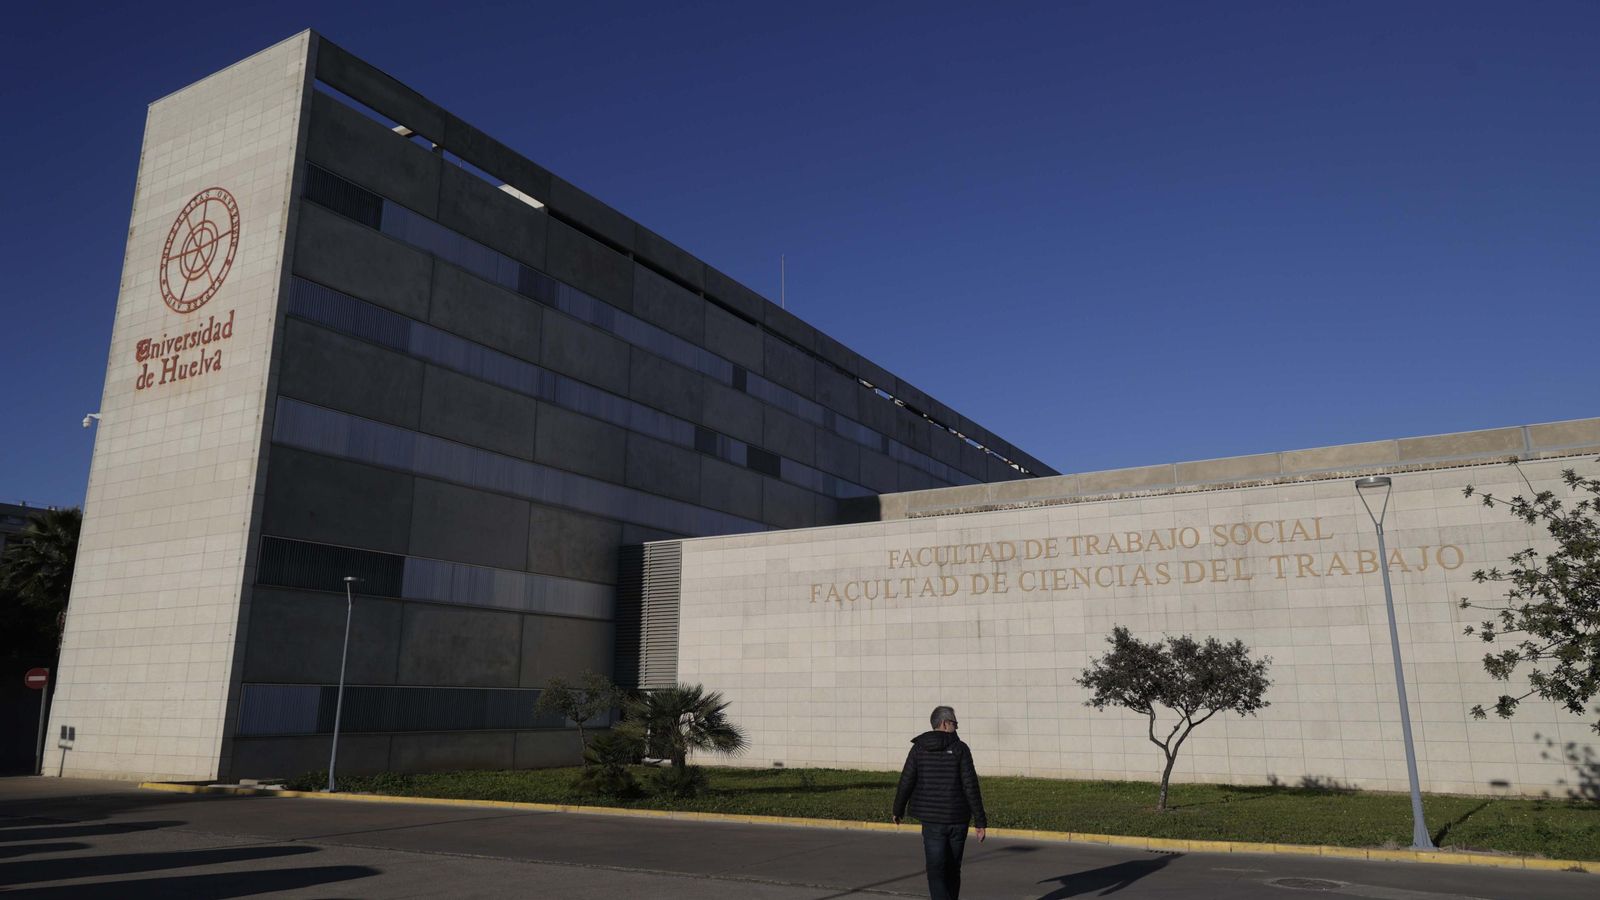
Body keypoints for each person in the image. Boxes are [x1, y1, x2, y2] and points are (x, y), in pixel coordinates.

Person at [892, 705, 987, 900]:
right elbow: (970, 786)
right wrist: (980, 821)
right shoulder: (960, 749)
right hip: (957, 820)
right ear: (945, 724)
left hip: (932, 821)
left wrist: (898, 809)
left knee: (936, 870)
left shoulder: (919, 748)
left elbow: (907, 779)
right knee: (953, 869)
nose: (957, 728)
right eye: (955, 723)